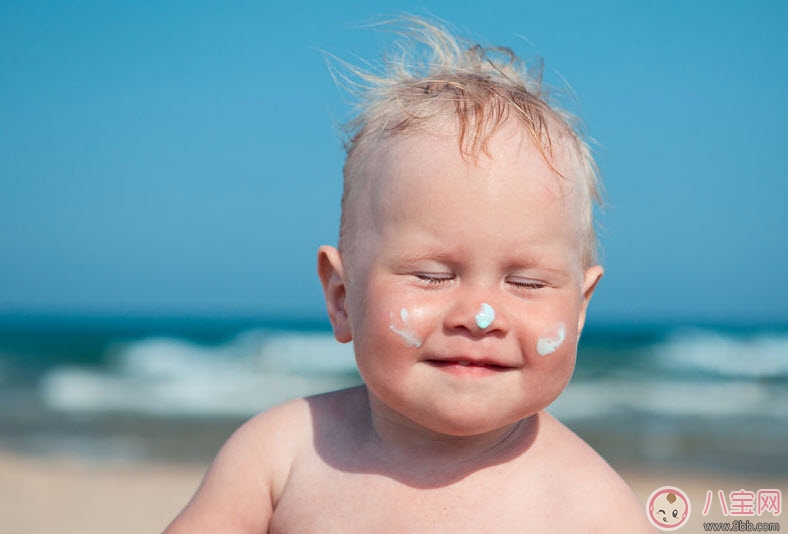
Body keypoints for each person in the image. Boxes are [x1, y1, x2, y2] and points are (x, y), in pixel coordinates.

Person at [165, 17, 655, 533]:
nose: (480, 316)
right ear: (341, 296)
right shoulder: (279, 457)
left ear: (580, 307)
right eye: (432, 275)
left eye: (526, 282)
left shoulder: (591, 509)